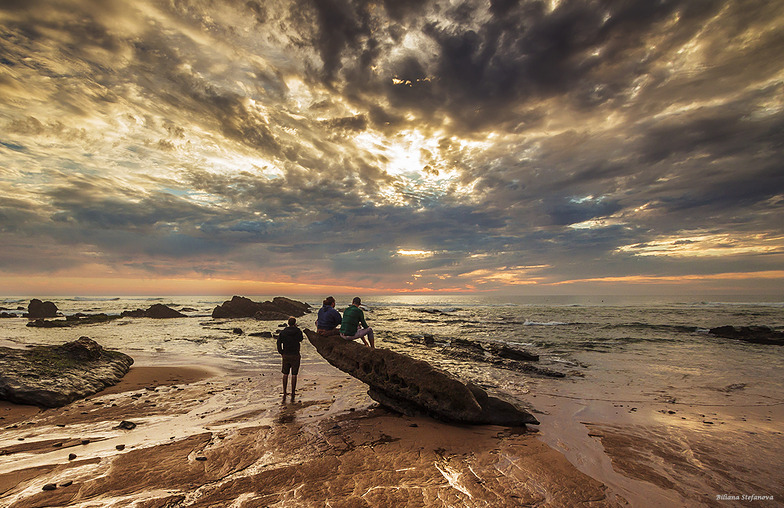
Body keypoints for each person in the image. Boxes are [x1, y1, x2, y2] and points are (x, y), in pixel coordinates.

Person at [277, 316, 304, 399]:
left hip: (286, 354)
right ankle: (293, 392)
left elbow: (278, 343)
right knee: (294, 374)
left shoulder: (283, 332)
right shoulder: (298, 331)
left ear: (288, 323)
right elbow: (301, 339)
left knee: (285, 373)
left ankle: (285, 391)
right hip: (295, 354)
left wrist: (281, 352)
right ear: (295, 323)